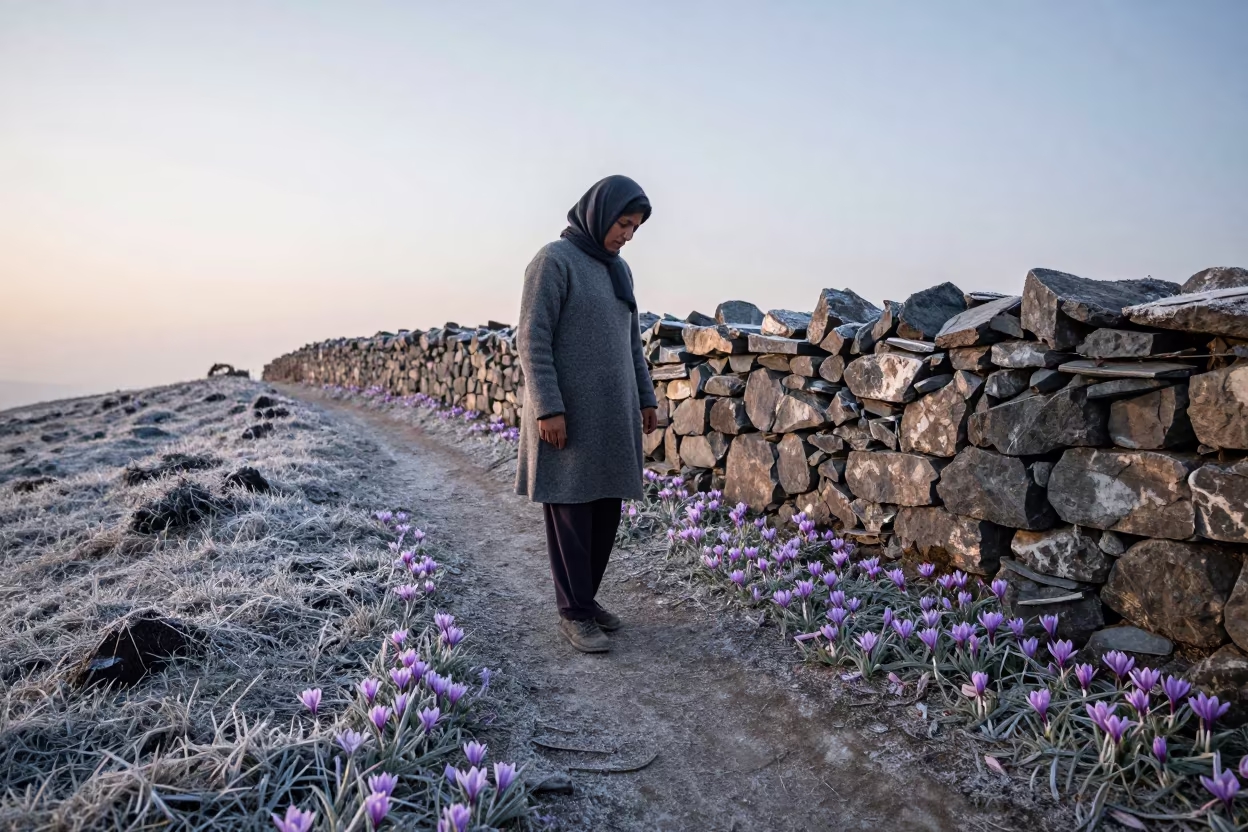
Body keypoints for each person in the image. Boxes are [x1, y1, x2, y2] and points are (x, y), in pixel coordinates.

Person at [515, 175, 659, 653]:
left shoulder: (620, 270)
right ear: (600, 214)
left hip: (613, 412)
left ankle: (586, 599)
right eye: (623, 224)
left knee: (606, 512)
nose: (628, 235)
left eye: (635, 228)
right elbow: (531, 338)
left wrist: (646, 398)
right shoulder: (554, 261)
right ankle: (573, 613)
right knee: (572, 514)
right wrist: (548, 407)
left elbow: (630, 343)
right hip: (568, 414)